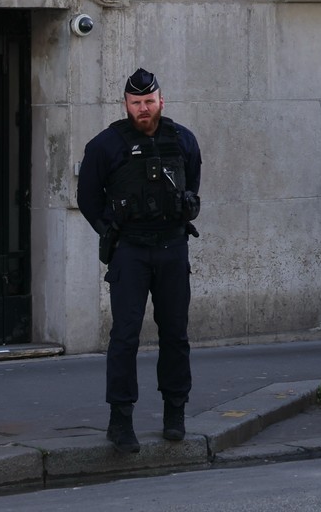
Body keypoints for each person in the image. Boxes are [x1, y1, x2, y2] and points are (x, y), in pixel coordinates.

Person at [77, 68, 203, 453]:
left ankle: (175, 412)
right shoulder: (106, 145)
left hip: (171, 247)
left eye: (149, 102)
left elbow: (192, 186)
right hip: (130, 251)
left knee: (175, 333)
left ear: (161, 101)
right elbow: (87, 198)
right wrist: (110, 232)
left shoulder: (183, 139)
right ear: (126, 105)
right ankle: (120, 420)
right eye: (136, 104)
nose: (143, 109)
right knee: (125, 336)